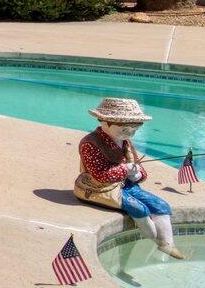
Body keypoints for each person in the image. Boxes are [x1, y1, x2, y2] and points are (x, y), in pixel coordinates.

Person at [73, 97, 184, 258]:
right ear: (105, 122)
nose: (130, 133)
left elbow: (139, 169)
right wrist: (125, 169)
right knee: (140, 209)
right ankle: (154, 242)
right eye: (125, 129)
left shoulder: (126, 143)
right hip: (101, 188)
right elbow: (99, 175)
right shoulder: (90, 143)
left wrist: (137, 173)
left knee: (161, 206)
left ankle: (167, 245)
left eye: (134, 129)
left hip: (127, 185)